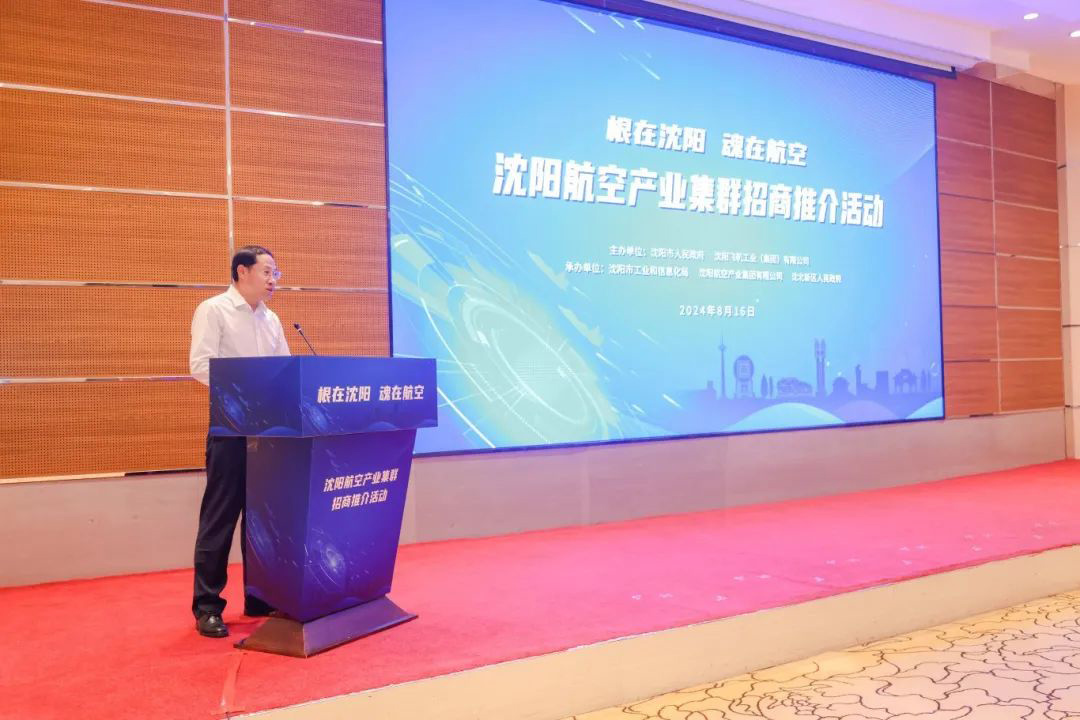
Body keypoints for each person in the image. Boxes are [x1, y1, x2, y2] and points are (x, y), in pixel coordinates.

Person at [189, 246, 290, 638]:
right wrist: (246, 394)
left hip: (268, 432)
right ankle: (208, 607)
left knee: (262, 520)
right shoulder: (214, 310)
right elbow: (201, 365)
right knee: (220, 518)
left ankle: (259, 596)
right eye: (267, 271)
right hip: (230, 429)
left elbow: (284, 370)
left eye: (275, 273)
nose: (273, 280)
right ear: (242, 271)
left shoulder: (271, 318)